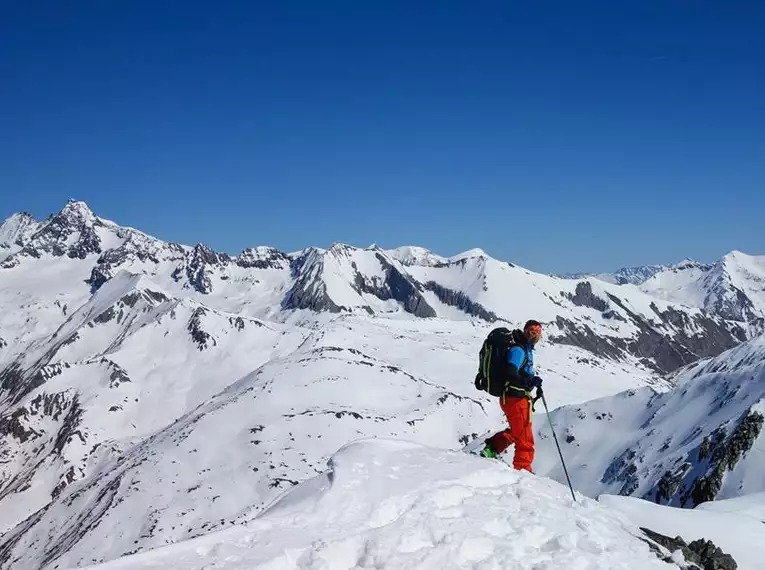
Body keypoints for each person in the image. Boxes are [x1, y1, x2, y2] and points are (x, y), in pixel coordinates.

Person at [479, 319, 544, 472]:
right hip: (515, 398)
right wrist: (526, 382)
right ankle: (523, 470)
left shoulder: (524, 348)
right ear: (526, 331)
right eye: (532, 333)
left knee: (519, 431)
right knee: (525, 438)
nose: (534, 337)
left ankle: (492, 448)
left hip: (516, 397)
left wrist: (532, 380)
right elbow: (511, 372)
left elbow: (519, 372)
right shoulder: (519, 350)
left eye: (537, 334)